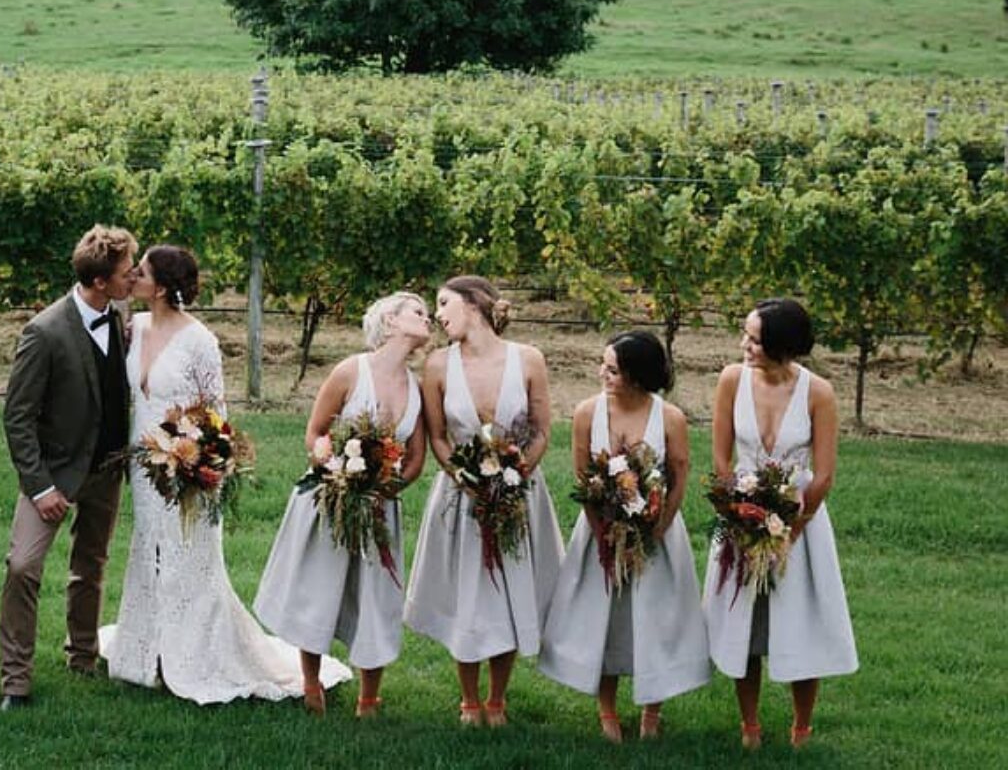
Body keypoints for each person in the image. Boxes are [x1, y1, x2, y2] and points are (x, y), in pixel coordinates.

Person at [101, 246, 353, 705]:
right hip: (144, 466)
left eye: (141, 272)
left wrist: (198, 463)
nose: (132, 276)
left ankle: (194, 656)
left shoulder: (199, 341)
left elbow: (216, 414)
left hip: (184, 469)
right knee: (150, 550)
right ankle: (149, 651)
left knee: (187, 556)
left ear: (159, 287)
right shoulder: (133, 327)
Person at [254, 290, 428, 718]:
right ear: (390, 322)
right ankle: (311, 682)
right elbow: (315, 433)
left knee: (376, 596)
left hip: (378, 508)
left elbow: (417, 458)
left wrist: (383, 491)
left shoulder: (417, 387)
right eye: (419, 312)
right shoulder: (351, 371)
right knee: (319, 590)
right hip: (329, 501)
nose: (429, 319)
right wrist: (333, 468)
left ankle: (370, 696)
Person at [404, 274, 563, 727]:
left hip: (518, 494)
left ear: (474, 305)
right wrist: (466, 477)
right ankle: (469, 700)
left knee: (508, 592)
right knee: (468, 597)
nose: (437, 314)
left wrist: (516, 475)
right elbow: (437, 435)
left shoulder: (529, 359)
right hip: (462, 497)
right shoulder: (437, 364)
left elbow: (542, 430)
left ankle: (498, 699)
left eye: (443, 303)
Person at [538, 331, 710, 741]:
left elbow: (679, 474)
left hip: (657, 535)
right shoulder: (586, 413)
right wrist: (602, 532)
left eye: (612, 368)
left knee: (656, 618)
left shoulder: (669, 418)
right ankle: (607, 711)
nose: (602, 373)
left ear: (635, 375)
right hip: (602, 533)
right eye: (603, 364)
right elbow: (583, 478)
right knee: (606, 619)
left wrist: (659, 527)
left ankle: (652, 710)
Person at [704, 298, 857, 750]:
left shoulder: (819, 392)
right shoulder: (731, 380)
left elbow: (825, 473)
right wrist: (737, 509)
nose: (744, 345)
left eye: (754, 339)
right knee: (743, 623)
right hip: (742, 518)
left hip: (799, 522)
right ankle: (749, 726)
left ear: (781, 345)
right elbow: (720, 454)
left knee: (799, 621)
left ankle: (801, 728)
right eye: (746, 336)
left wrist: (791, 530)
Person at [0, 224, 137, 710]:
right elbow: (17, 417)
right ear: (100, 281)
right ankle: (15, 681)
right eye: (126, 272)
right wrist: (39, 488)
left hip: (108, 469)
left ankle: (82, 655)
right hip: (54, 473)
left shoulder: (121, 315)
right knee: (23, 567)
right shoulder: (45, 331)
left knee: (91, 565)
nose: (134, 277)